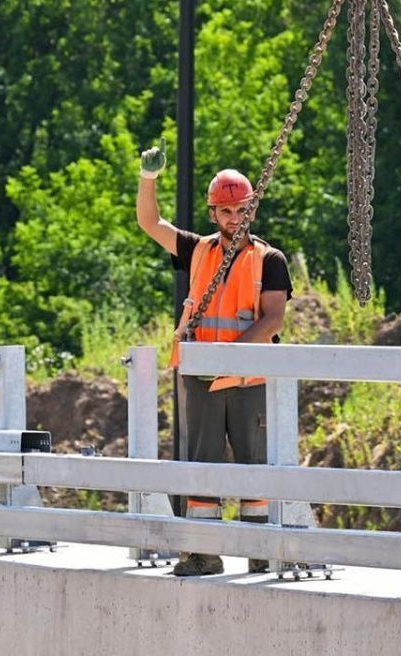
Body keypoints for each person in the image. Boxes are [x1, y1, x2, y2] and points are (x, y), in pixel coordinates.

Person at [136, 141, 293, 577]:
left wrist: (233, 354)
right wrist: (148, 179)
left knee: (253, 462)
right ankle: (203, 552)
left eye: (241, 209)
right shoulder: (197, 250)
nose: (234, 218)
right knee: (200, 463)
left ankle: (259, 548)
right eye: (225, 211)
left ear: (252, 210)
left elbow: (273, 317)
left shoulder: (270, 259)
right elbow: (150, 222)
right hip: (202, 376)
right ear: (213, 214)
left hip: (246, 378)